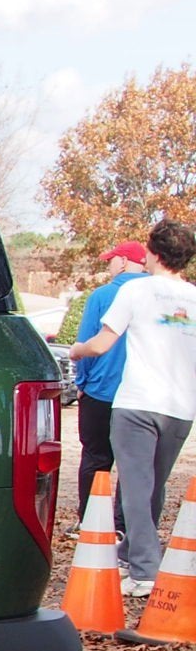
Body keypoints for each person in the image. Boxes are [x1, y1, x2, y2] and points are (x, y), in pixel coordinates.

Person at [74, 219, 196, 596]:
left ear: (152, 253)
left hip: (138, 403)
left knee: (136, 487)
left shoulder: (137, 291)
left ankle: (145, 570)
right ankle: (130, 555)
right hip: (180, 406)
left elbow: (100, 344)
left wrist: (74, 351)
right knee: (152, 485)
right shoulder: (193, 296)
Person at [70, 239, 147, 519]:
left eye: (111, 260)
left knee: (95, 458)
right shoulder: (154, 296)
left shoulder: (102, 295)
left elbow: (88, 341)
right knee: (134, 464)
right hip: (141, 395)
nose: (109, 265)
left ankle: (91, 520)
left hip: (102, 391)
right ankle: (122, 525)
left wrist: (81, 384)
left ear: (124, 261)